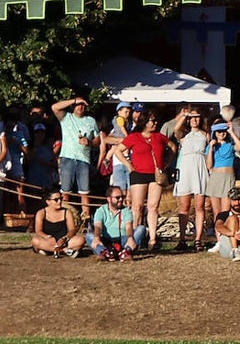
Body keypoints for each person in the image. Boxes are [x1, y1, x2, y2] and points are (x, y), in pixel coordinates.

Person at [115, 112, 173, 251]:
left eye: (155, 120)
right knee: (137, 207)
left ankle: (153, 239)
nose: (155, 123)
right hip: (138, 174)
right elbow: (118, 151)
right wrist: (129, 166)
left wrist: (165, 163)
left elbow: (172, 147)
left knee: (153, 207)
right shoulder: (134, 137)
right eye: (152, 121)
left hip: (156, 175)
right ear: (144, 122)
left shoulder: (159, 137)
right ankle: (134, 238)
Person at [52, 95, 99, 219]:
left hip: (84, 159)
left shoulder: (91, 120)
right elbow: (54, 107)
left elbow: (98, 140)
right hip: (67, 158)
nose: (80, 106)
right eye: (78, 104)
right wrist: (74, 100)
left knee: (84, 193)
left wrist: (89, 142)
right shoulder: (67, 117)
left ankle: (86, 219)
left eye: (83, 104)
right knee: (65, 192)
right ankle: (63, 218)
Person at [172, 108, 209, 251]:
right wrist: (185, 115)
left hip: (199, 167)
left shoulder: (205, 134)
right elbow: (176, 129)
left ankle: (198, 239)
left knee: (200, 206)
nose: (195, 120)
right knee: (184, 206)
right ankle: (182, 238)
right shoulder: (184, 135)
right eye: (193, 117)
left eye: (197, 117)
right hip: (186, 168)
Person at [87, 185, 144, 260]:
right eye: (117, 197)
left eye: (122, 197)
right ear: (109, 199)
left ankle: (126, 251)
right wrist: (97, 237)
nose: (120, 199)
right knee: (89, 236)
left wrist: (130, 238)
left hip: (123, 239)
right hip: (106, 240)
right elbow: (98, 226)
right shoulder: (101, 210)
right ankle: (104, 252)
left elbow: (129, 226)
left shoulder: (126, 210)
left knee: (141, 229)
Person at [31, 191, 85, 257]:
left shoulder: (67, 212)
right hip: (48, 240)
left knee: (80, 240)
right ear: (48, 201)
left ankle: (49, 250)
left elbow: (72, 230)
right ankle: (65, 250)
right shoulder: (41, 213)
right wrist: (47, 237)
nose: (59, 201)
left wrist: (65, 238)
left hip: (64, 240)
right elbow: (38, 231)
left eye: (61, 199)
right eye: (56, 200)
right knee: (35, 241)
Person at [206, 122, 235, 243]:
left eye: (223, 131)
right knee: (216, 211)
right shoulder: (211, 147)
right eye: (219, 132)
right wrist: (211, 148)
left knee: (225, 211)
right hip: (215, 177)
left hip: (228, 177)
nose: (221, 134)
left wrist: (232, 131)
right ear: (214, 133)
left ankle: (227, 239)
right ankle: (219, 241)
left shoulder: (230, 145)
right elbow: (209, 165)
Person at [212, 189, 240, 260]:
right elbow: (218, 226)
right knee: (233, 219)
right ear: (230, 200)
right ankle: (235, 251)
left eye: (239, 200)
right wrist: (233, 233)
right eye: (234, 200)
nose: (237, 203)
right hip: (228, 246)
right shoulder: (223, 215)